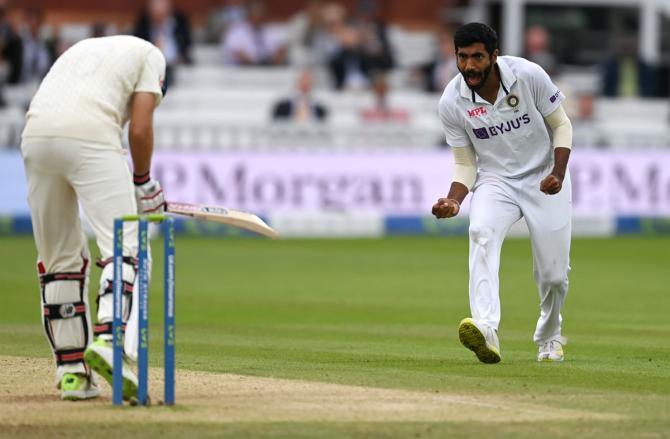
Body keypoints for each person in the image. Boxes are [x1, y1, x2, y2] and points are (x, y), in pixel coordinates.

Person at [21, 35, 167, 400]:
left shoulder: (84, 48)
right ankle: (108, 339)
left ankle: (72, 373)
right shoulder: (152, 55)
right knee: (127, 242)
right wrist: (143, 183)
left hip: (35, 136)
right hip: (90, 135)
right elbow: (139, 127)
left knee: (59, 258)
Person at [432, 23, 573, 363]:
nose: (469, 66)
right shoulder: (452, 101)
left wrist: (557, 172)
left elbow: (561, 125)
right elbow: (466, 165)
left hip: (544, 177)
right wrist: (454, 199)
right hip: (496, 181)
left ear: (494, 56)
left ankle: (550, 336)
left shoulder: (527, 75)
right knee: (480, 232)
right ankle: (486, 329)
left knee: (553, 275)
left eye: (477, 57)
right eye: (462, 57)